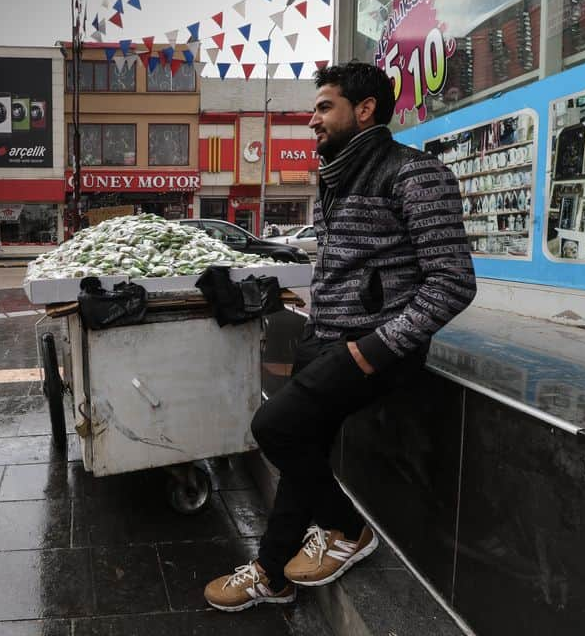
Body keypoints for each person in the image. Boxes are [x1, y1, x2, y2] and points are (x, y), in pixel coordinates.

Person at [204, 62, 476, 611]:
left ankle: (348, 529)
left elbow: (453, 281)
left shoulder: (415, 175)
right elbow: (350, 263)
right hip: (324, 337)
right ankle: (271, 574)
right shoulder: (338, 175)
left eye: (325, 106)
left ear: (365, 108)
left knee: (273, 428)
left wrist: (375, 347)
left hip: (374, 348)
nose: (312, 120)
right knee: (304, 450)